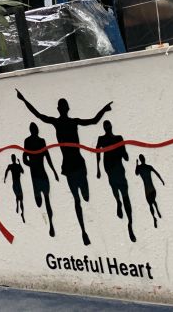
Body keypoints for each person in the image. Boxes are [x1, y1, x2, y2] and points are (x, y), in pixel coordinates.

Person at [17, 89, 112, 246]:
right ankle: (83, 231)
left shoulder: (66, 122)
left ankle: (83, 229)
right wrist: (23, 100)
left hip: (74, 165)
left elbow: (39, 115)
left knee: (83, 198)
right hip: (72, 166)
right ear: (66, 108)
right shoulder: (64, 122)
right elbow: (94, 120)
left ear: (60, 109)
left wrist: (23, 100)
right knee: (79, 199)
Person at [96, 120, 135, 242]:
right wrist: (98, 169)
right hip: (111, 169)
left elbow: (125, 155)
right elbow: (98, 153)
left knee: (123, 193)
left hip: (116, 168)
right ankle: (119, 202)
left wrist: (124, 152)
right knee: (118, 190)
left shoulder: (118, 138)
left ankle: (129, 223)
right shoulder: (103, 139)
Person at [22, 122, 60, 236]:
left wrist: (54, 171)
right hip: (36, 176)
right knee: (39, 203)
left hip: (41, 175)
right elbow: (24, 158)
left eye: (35, 128)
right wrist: (31, 164)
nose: (35, 130)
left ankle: (51, 225)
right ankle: (49, 224)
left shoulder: (41, 141)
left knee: (46, 200)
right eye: (34, 128)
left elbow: (47, 156)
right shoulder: (28, 141)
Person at [135, 154, 165, 228]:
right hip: (152, 189)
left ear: (140, 160)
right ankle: (156, 211)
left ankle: (154, 217)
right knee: (153, 201)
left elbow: (136, 173)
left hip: (147, 191)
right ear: (144, 159)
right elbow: (157, 173)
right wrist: (162, 180)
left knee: (150, 204)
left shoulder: (139, 168)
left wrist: (136, 164)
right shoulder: (148, 167)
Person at [3, 154, 26, 222]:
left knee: (18, 197)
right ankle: (22, 213)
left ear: (12, 159)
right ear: (15, 159)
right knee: (21, 198)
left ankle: (17, 205)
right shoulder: (17, 166)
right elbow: (22, 171)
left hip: (15, 184)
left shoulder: (10, 166)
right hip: (18, 183)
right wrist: (20, 163)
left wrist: (5, 178)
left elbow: (6, 171)